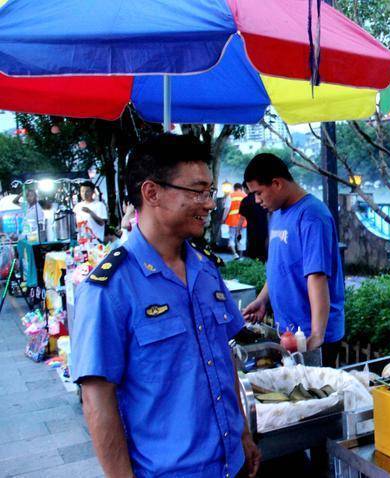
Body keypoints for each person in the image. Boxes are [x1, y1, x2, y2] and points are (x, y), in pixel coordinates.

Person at [70, 134, 261, 478]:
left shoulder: (206, 270)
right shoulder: (109, 289)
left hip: (231, 465)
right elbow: (97, 400)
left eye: (210, 191)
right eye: (198, 191)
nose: (209, 203)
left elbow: (224, 357)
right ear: (152, 192)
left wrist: (243, 434)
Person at [241, 153, 345, 367]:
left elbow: (317, 276)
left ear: (276, 183)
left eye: (259, 193)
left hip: (310, 336)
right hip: (289, 331)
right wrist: (262, 300)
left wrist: (317, 334)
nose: (257, 200)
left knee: (315, 398)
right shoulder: (278, 213)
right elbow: (281, 267)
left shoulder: (312, 216)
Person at [239, 190, 269, 262]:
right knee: (262, 245)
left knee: (252, 245)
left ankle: (254, 262)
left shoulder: (245, 200)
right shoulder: (264, 199)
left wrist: (238, 229)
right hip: (264, 227)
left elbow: (242, 218)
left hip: (251, 228)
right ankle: (262, 261)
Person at [223, 182, 248, 258]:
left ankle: (235, 254)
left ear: (234, 188)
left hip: (232, 221)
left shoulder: (230, 195)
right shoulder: (245, 196)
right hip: (243, 221)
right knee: (242, 239)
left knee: (231, 238)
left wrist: (223, 218)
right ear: (241, 188)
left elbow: (227, 209)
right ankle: (240, 257)